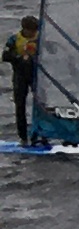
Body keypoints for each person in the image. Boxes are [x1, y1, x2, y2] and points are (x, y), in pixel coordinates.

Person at [6, 14, 36, 143]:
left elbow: (52, 51)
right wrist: (19, 58)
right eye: (31, 31)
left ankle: (40, 135)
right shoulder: (14, 39)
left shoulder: (40, 38)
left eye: (35, 31)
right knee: (20, 106)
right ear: (25, 29)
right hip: (20, 76)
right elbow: (5, 56)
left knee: (41, 105)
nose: (33, 33)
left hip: (37, 76)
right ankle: (23, 137)